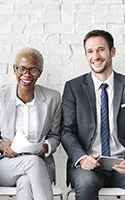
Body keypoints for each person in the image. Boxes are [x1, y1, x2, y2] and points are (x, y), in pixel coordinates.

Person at [0, 47, 61, 200]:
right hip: (4, 165)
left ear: (40, 72)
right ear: (14, 70)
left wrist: (45, 147)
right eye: (22, 69)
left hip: (40, 163)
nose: (27, 75)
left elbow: (55, 135)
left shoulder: (53, 98)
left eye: (33, 70)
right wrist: (1, 145)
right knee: (32, 163)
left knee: (26, 182)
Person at [61, 29, 125, 200]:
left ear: (113, 51)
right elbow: (66, 130)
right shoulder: (73, 88)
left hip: (122, 163)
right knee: (85, 183)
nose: (95, 56)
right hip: (88, 165)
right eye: (90, 51)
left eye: (101, 49)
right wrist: (82, 159)